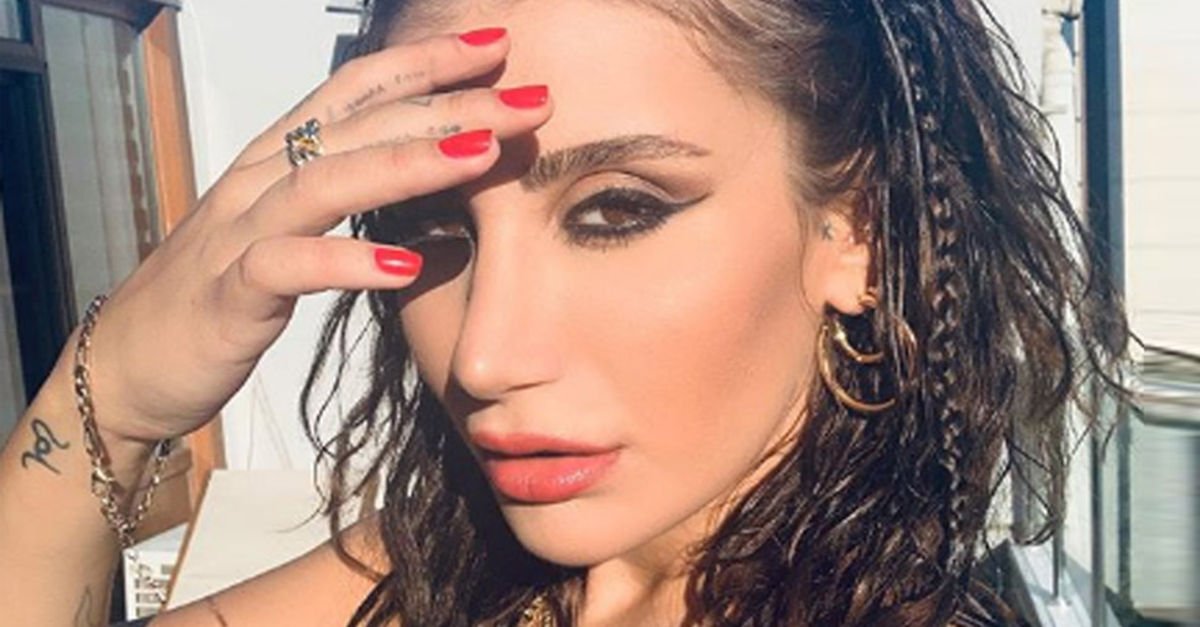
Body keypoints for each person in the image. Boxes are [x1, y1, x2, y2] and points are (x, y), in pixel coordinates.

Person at [0, 0, 1130, 625]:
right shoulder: (450, 571)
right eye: (436, 227)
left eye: (616, 212)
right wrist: (113, 394)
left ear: (860, 231)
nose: (485, 356)